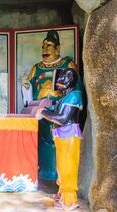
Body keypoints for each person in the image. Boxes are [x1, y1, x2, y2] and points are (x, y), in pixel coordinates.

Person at [21, 30, 80, 181]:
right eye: (43, 47)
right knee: (41, 143)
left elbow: (75, 86)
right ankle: (43, 174)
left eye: (49, 46)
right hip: (41, 112)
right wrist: (26, 87)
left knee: (60, 150)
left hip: (60, 111)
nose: (45, 50)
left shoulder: (67, 64)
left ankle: (60, 178)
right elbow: (30, 92)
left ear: (58, 48)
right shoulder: (36, 68)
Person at [36, 68, 83, 210]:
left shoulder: (74, 96)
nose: (60, 80)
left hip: (69, 135)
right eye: (61, 76)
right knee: (62, 167)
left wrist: (43, 112)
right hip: (62, 135)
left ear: (72, 80)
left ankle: (69, 200)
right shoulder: (65, 97)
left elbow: (62, 119)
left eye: (66, 77)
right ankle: (62, 194)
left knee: (68, 167)